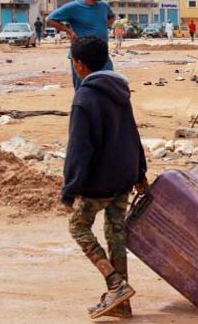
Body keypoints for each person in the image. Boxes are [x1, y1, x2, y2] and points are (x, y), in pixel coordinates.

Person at [60, 36, 148, 319]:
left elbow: (79, 149)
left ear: (80, 65)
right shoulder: (119, 91)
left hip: (99, 180)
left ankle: (115, 284)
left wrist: (69, 189)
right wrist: (140, 172)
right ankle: (121, 303)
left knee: (78, 227)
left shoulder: (84, 98)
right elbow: (132, 132)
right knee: (115, 233)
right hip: (124, 174)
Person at [47, 0, 115, 91]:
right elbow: (49, 19)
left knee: (109, 88)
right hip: (82, 57)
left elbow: (111, 17)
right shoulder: (73, 7)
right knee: (84, 90)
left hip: (102, 55)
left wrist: (105, 26)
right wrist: (68, 31)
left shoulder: (103, 7)